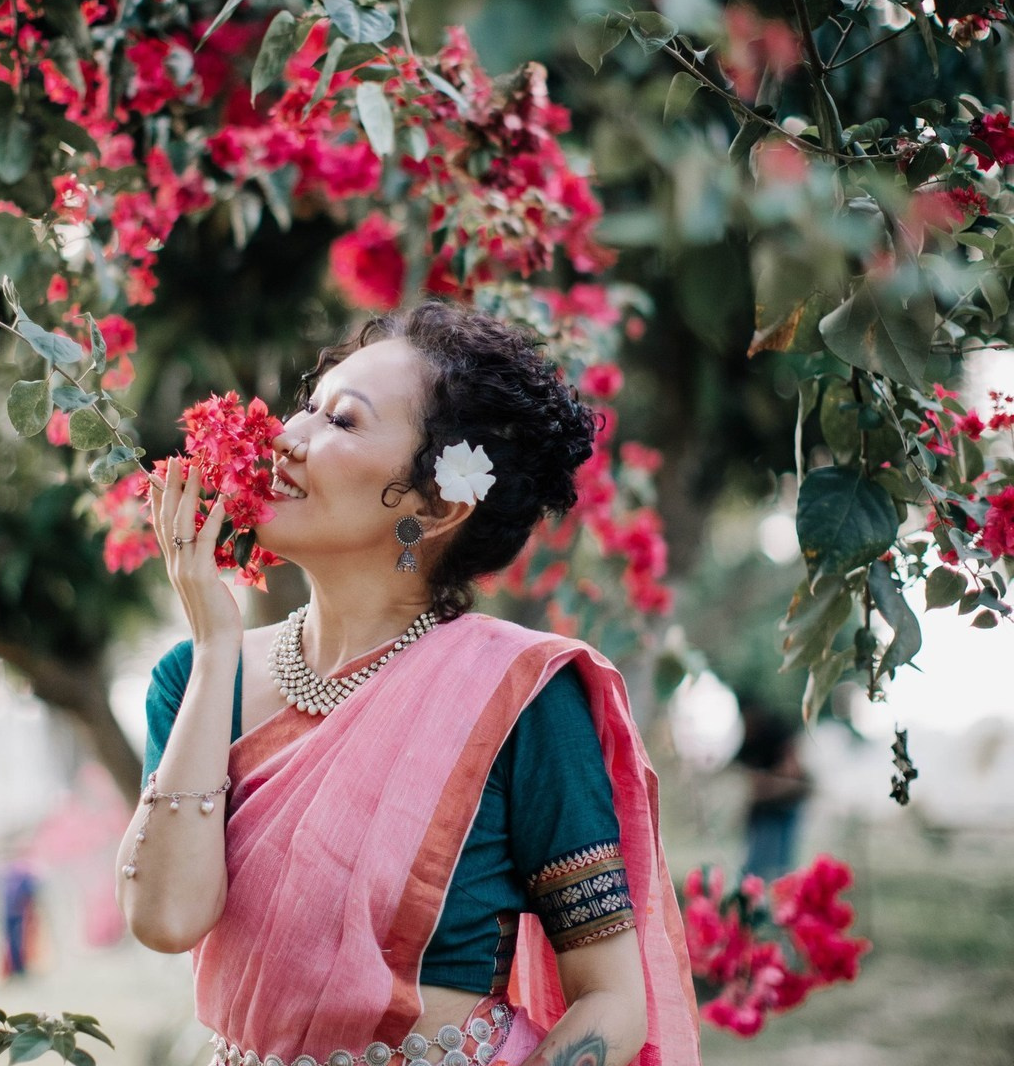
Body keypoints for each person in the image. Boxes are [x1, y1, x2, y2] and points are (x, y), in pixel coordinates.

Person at [116, 302, 700, 1066]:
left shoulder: (519, 697)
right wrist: (215, 646)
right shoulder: (197, 677)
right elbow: (165, 918)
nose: (286, 438)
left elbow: (612, 1001)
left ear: (435, 506)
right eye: (307, 407)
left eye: (342, 420)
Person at [735, 702, 812, 883]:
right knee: (754, 865)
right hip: (763, 811)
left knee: (781, 866)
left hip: (787, 807)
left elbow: (792, 772)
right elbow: (745, 779)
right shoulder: (748, 744)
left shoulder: (776, 734)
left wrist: (768, 783)